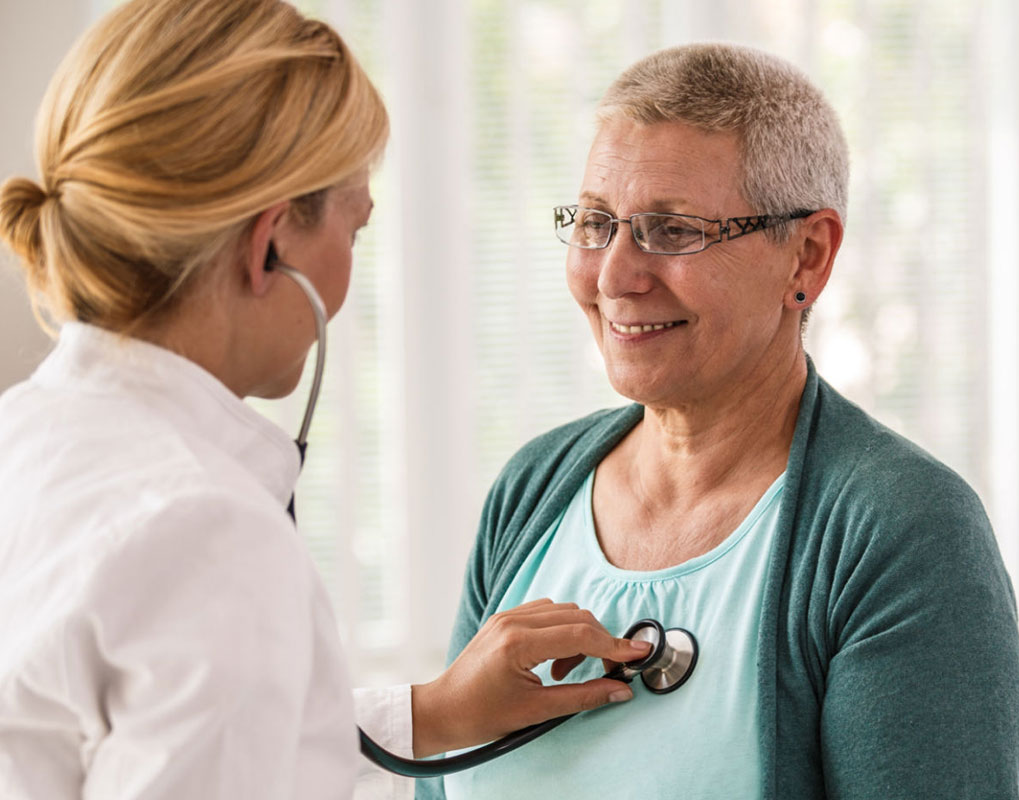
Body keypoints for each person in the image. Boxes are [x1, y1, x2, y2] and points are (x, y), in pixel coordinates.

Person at [0, 2, 650, 796]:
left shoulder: (24, 439)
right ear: (271, 244)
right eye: (355, 229)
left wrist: (434, 712)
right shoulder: (206, 533)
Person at [393, 43, 1019, 799]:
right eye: (595, 222)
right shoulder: (534, 489)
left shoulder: (901, 532)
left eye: (673, 231)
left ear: (808, 257)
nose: (616, 276)